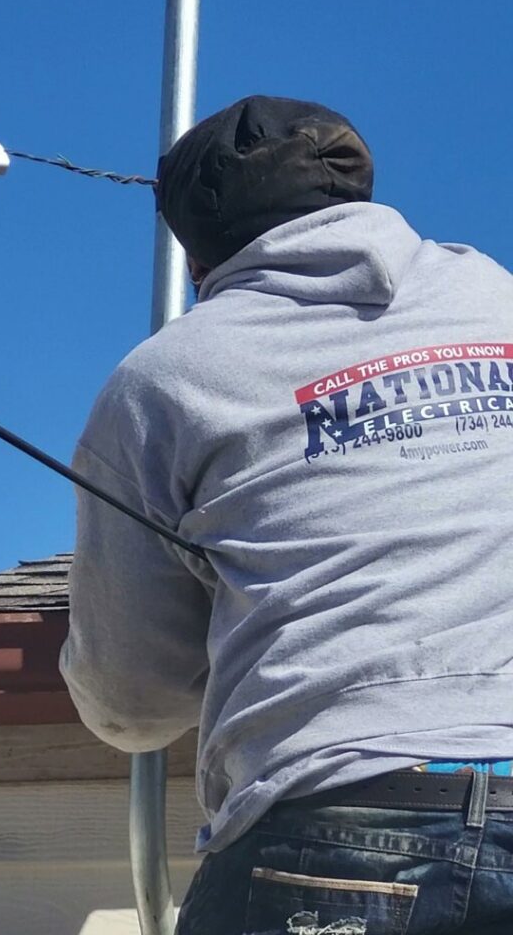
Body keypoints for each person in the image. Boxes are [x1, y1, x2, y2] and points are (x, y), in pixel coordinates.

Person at [60, 95, 513, 934]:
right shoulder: (496, 294)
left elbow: (130, 699)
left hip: (336, 828)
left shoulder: (164, 377)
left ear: (196, 254)